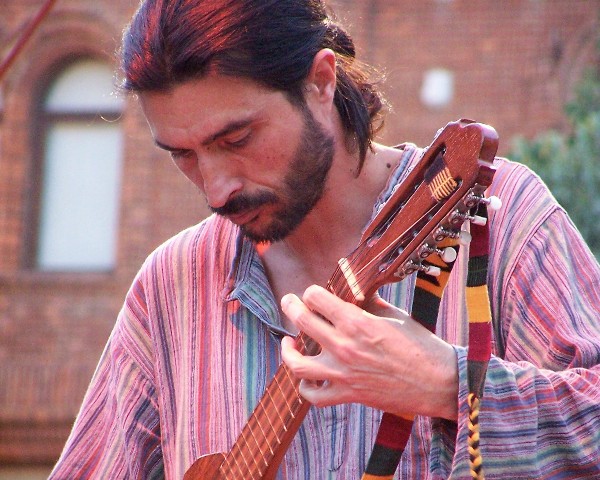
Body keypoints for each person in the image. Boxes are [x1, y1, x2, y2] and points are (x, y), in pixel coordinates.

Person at [49, 0, 600, 478]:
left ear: (320, 81)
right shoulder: (170, 288)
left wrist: (447, 384)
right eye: (183, 155)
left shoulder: (500, 218)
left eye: (237, 139)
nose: (215, 189)